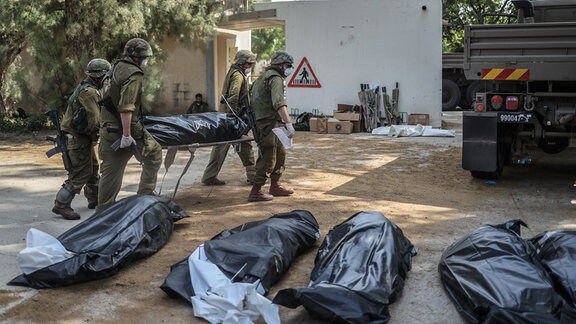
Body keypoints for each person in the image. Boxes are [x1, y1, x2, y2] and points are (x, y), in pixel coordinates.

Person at [97, 38, 163, 210]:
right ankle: (145, 196)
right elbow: (126, 107)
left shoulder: (114, 69)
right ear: (138, 57)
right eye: (145, 57)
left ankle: (103, 211)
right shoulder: (133, 74)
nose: (146, 61)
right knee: (154, 154)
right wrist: (127, 135)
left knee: (110, 171)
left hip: (107, 128)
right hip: (125, 128)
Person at [52, 58, 111, 220]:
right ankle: (61, 204)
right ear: (99, 76)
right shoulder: (89, 92)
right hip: (77, 139)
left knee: (92, 169)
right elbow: (95, 120)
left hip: (81, 137)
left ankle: (95, 199)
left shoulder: (87, 88)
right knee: (79, 174)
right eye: (106, 77)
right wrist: (100, 134)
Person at [200, 49, 257, 186]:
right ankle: (253, 176)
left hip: (226, 117)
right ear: (243, 63)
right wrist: (234, 118)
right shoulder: (238, 75)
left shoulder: (233, 72)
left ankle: (209, 176)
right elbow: (233, 96)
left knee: (221, 147)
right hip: (232, 118)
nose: (250, 67)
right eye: (249, 64)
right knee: (245, 145)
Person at [248, 51, 296, 202]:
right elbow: (278, 103)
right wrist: (289, 123)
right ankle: (256, 190)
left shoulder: (261, 78)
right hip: (268, 123)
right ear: (281, 65)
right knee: (268, 156)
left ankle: (275, 185)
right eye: (288, 66)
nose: (289, 69)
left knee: (280, 153)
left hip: (270, 122)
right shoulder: (275, 78)